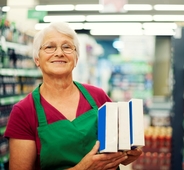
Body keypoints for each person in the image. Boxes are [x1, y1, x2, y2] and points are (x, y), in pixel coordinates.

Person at [4, 22, 142, 170]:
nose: (59, 53)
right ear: (37, 59)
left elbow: (121, 151)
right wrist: (83, 168)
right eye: (50, 47)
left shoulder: (98, 96)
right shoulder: (24, 111)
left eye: (67, 47)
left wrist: (128, 154)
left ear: (76, 58)